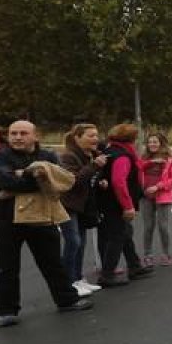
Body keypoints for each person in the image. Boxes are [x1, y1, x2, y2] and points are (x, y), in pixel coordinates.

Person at [0, 120, 93, 326]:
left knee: (52, 262)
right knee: (6, 267)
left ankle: (66, 299)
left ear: (35, 136)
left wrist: (22, 175)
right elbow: (8, 182)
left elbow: (63, 181)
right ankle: (6, 311)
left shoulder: (48, 156)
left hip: (42, 216)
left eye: (23, 133)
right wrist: (39, 177)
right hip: (6, 220)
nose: (17, 137)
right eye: (13, 133)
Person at [96, 123, 154, 286]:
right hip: (116, 204)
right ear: (132, 139)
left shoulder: (110, 151)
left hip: (108, 202)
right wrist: (128, 206)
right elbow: (119, 182)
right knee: (117, 237)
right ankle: (107, 275)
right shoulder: (122, 156)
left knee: (125, 233)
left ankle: (134, 266)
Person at [59, 123, 106, 296]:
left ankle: (78, 279)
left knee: (81, 243)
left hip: (84, 206)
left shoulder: (91, 155)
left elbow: (91, 178)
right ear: (77, 138)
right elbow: (73, 180)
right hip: (68, 205)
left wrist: (100, 181)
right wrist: (94, 167)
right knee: (73, 242)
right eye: (91, 135)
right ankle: (67, 283)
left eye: (96, 135)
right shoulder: (68, 156)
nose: (96, 139)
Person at [139, 132, 172, 266]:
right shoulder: (143, 158)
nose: (152, 144)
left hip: (163, 196)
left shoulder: (169, 159)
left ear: (161, 143)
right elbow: (137, 169)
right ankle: (147, 255)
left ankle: (166, 254)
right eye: (150, 142)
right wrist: (151, 162)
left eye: (155, 142)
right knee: (148, 227)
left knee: (163, 226)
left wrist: (158, 186)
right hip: (146, 196)